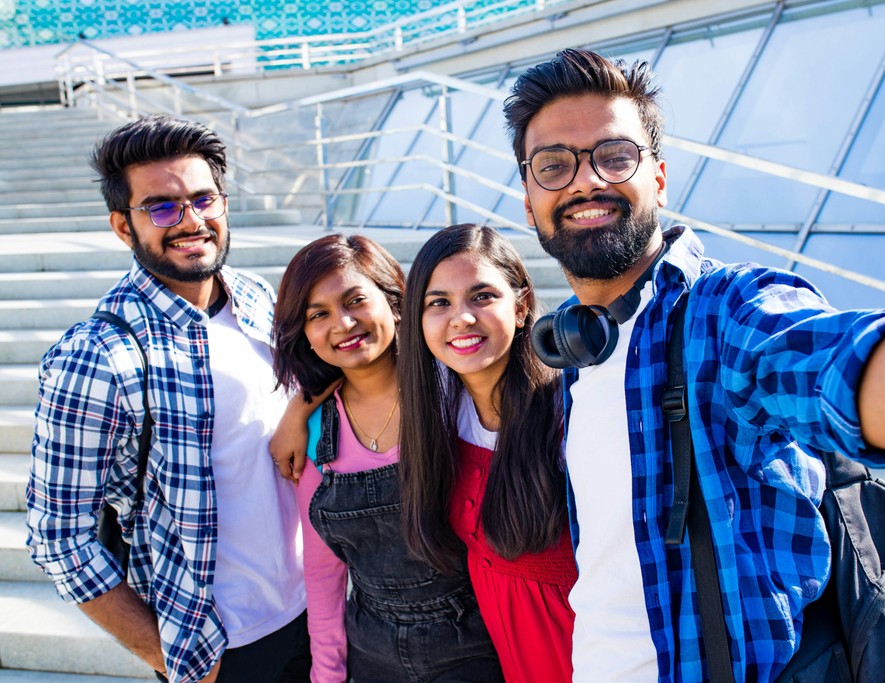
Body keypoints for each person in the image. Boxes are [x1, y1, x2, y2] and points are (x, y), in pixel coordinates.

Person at [502, 48, 885, 682]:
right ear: (528, 201)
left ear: (659, 179)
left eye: (615, 156)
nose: (586, 182)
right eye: (554, 165)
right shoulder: (581, 352)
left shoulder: (724, 314)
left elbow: (828, 363)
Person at [25, 115, 310, 683]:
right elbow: (58, 539)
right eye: (161, 207)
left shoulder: (257, 299)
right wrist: (168, 657)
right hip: (220, 649)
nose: (190, 221)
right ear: (123, 227)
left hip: (316, 613)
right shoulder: (98, 355)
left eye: (204, 199)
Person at [270, 233, 503, 682]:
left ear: (395, 302)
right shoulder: (315, 432)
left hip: (476, 647)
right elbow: (323, 574)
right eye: (318, 314)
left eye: (355, 300)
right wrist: (328, 675)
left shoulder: (454, 391)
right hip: (372, 652)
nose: (342, 323)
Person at [398, 223, 578, 682]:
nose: (461, 318)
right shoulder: (444, 406)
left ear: (520, 308)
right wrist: (299, 413)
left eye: (482, 296)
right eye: (439, 303)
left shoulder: (568, 415)